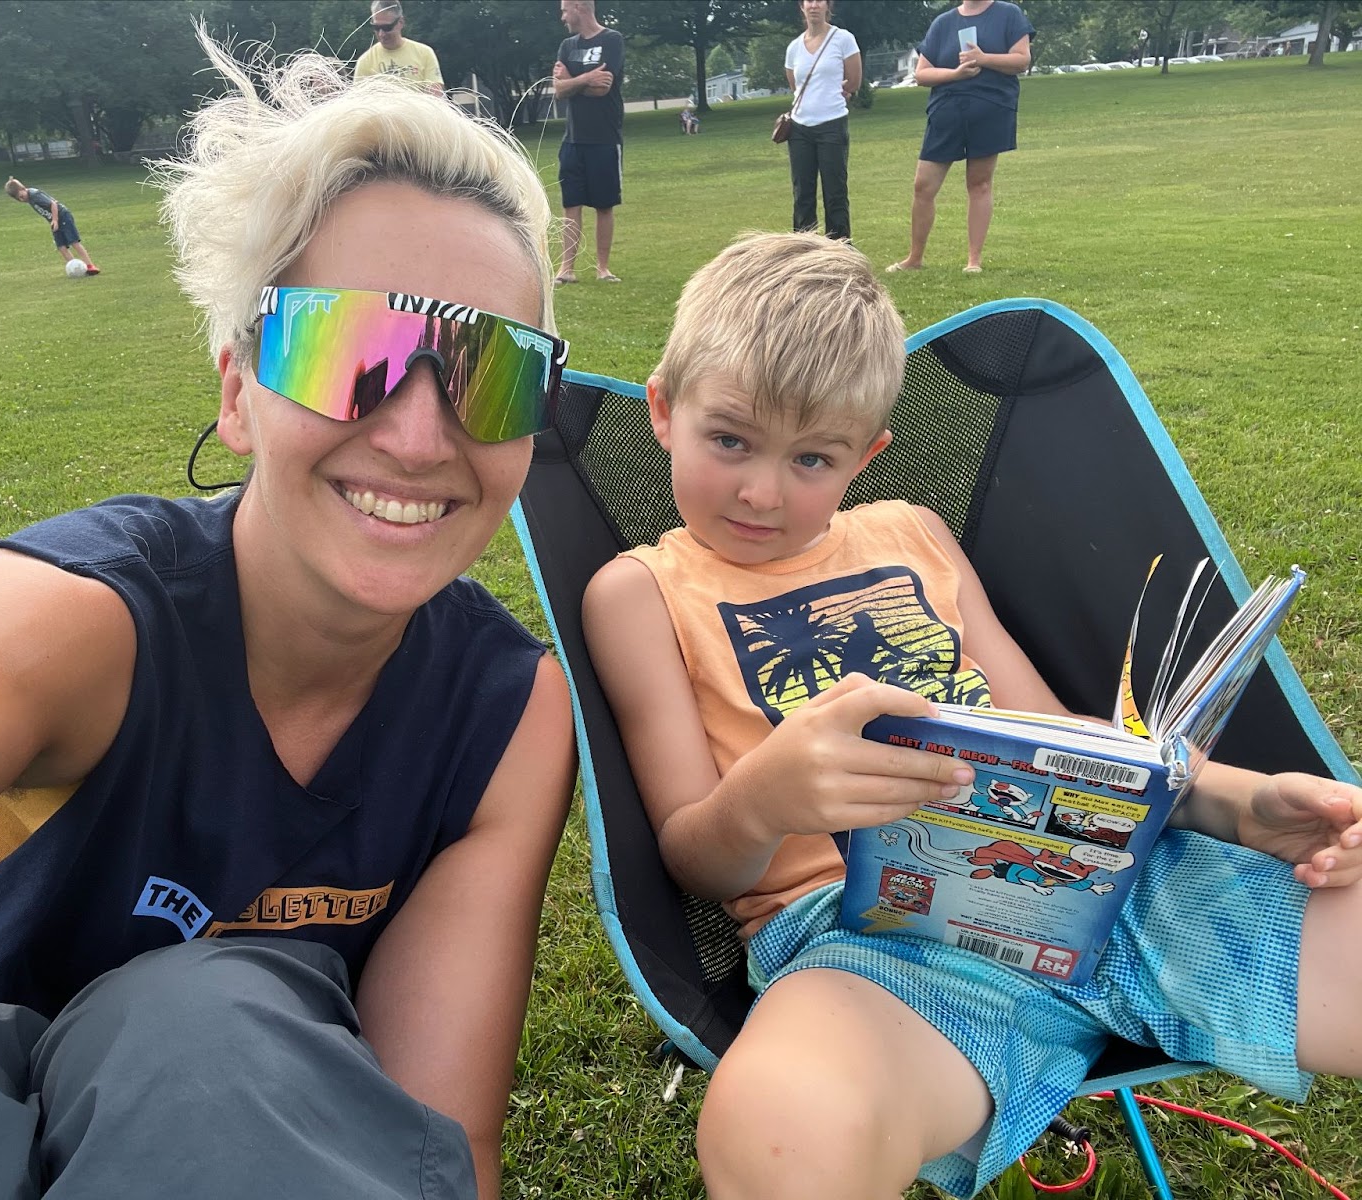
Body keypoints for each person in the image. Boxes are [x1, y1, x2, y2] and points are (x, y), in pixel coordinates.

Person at [0, 37, 577, 1200]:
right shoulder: (77, 619)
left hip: (216, 1108)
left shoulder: (500, 714)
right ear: (239, 386)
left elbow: (437, 1139)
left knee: (219, 1007)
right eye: (352, 352)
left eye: (490, 372)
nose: (416, 433)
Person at [581, 232, 1362, 1199]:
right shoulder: (642, 593)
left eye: (813, 457)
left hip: (1098, 875)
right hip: (868, 939)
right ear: (662, 409)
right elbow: (693, 857)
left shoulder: (913, 533)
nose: (760, 489)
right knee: (783, 1127)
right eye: (729, 439)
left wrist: (1239, 803)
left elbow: (1066, 743)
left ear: (867, 454)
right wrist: (769, 797)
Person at [887, 0, 1034, 274]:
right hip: (946, 111)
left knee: (979, 184)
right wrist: (955, 74)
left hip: (990, 109)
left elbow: (1022, 59)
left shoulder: (1008, 14)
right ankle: (914, 258)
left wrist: (984, 58)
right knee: (923, 186)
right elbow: (922, 74)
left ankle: (973, 261)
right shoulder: (943, 23)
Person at [552, 0, 625, 284]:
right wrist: (583, 79)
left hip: (605, 137)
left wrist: (573, 81)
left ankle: (602, 268)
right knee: (571, 203)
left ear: (579, 8)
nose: (562, 17)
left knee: (604, 205)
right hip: (573, 139)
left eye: (564, 10)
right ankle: (566, 269)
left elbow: (603, 88)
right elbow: (558, 90)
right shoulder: (566, 46)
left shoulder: (612, 40)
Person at [783, 0, 861, 240]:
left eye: (819, 1)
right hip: (799, 129)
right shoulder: (794, 48)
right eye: (809, 1)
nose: (814, 5)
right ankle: (804, 250)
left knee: (835, 193)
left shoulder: (843, 39)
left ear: (828, 6)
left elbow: (854, 81)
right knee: (803, 194)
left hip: (832, 125)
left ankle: (839, 250)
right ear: (802, 6)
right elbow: (795, 85)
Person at [5, 176, 100, 274]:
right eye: (18, 199)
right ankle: (75, 268)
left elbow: (53, 204)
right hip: (54, 221)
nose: (21, 200)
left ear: (23, 188)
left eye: (21, 196)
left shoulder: (34, 194)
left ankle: (90, 265)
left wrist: (55, 220)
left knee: (73, 241)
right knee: (61, 246)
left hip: (63, 216)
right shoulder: (28, 197)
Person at [353, 0, 444, 97]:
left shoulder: (425, 53)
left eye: (387, 27)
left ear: (401, 22)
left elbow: (436, 96)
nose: (381, 34)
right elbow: (359, 102)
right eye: (376, 27)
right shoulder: (365, 61)